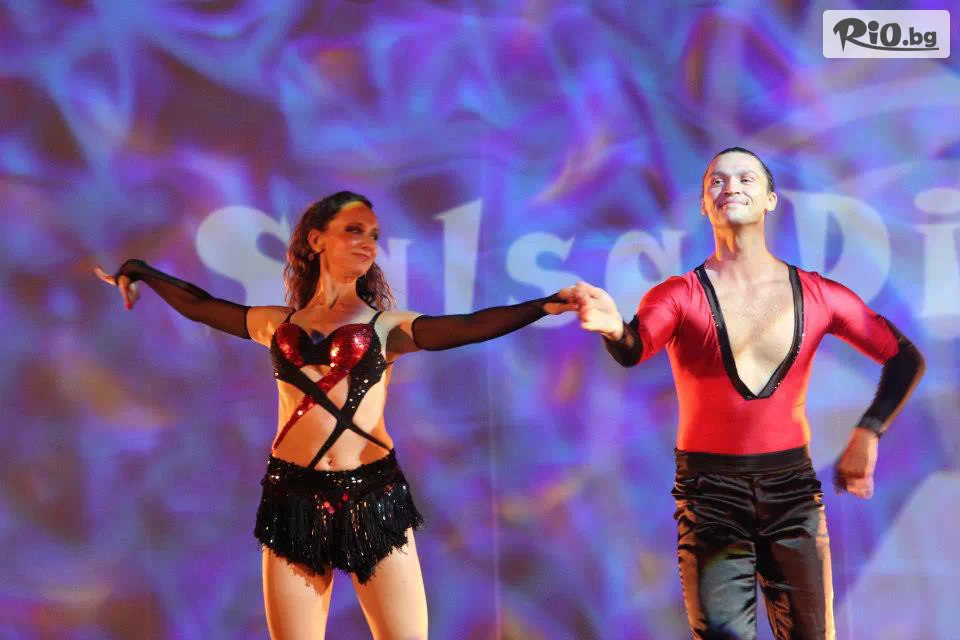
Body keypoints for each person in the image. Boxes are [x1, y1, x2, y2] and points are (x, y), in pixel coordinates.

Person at [95, 191, 574, 640]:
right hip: (292, 498)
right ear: (316, 239)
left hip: (372, 496)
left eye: (374, 235)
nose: (368, 243)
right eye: (354, 230)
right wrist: (140, 271)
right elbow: (202, 306)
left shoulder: (387, 327)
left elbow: (468, 326)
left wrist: (542, 306)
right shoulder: (275, 323)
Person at [569, 148, 925, 639]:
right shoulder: (678, 295)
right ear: (704, 204)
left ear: (770, 199)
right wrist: (614, 330)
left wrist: (869, 431)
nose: (730, 186)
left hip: (793, 495)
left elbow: (904, 358)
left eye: (745, 178)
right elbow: (635, 348)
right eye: (717, 181)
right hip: (710, 496)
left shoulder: (820, 294)